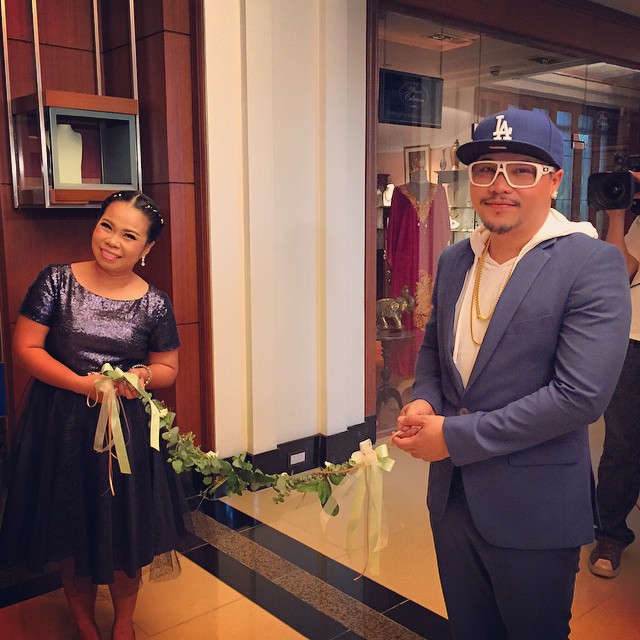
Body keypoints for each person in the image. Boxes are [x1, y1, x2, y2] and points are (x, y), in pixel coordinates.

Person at [391, 108, 631, 640]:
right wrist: (426, 399)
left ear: (554, 180)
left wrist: (452, 437)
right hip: (452, 499)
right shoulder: (456, 259)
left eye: (522, 170)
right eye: (486, 170)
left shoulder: (590, 263)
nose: (500, 185)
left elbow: (579, 396)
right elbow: (433, 350)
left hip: (534, 507)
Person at [0, 191, 185, 640]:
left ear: (147, 248)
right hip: (61, 424)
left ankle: (123, 624)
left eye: (129, 235)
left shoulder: (155, 303)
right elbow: (26, 347)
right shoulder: (56, 281)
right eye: (107, 226)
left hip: (126, 432)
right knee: (71, 526)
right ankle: (84, 625)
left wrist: (141, 375)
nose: (112, 241)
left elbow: (168, 367)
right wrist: (81, 385)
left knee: (125, 529)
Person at [589, 199, 640, 578]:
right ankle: (610, 534)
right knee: (623, 444)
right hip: (635, 340)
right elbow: (618, 272)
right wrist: (619, 215)